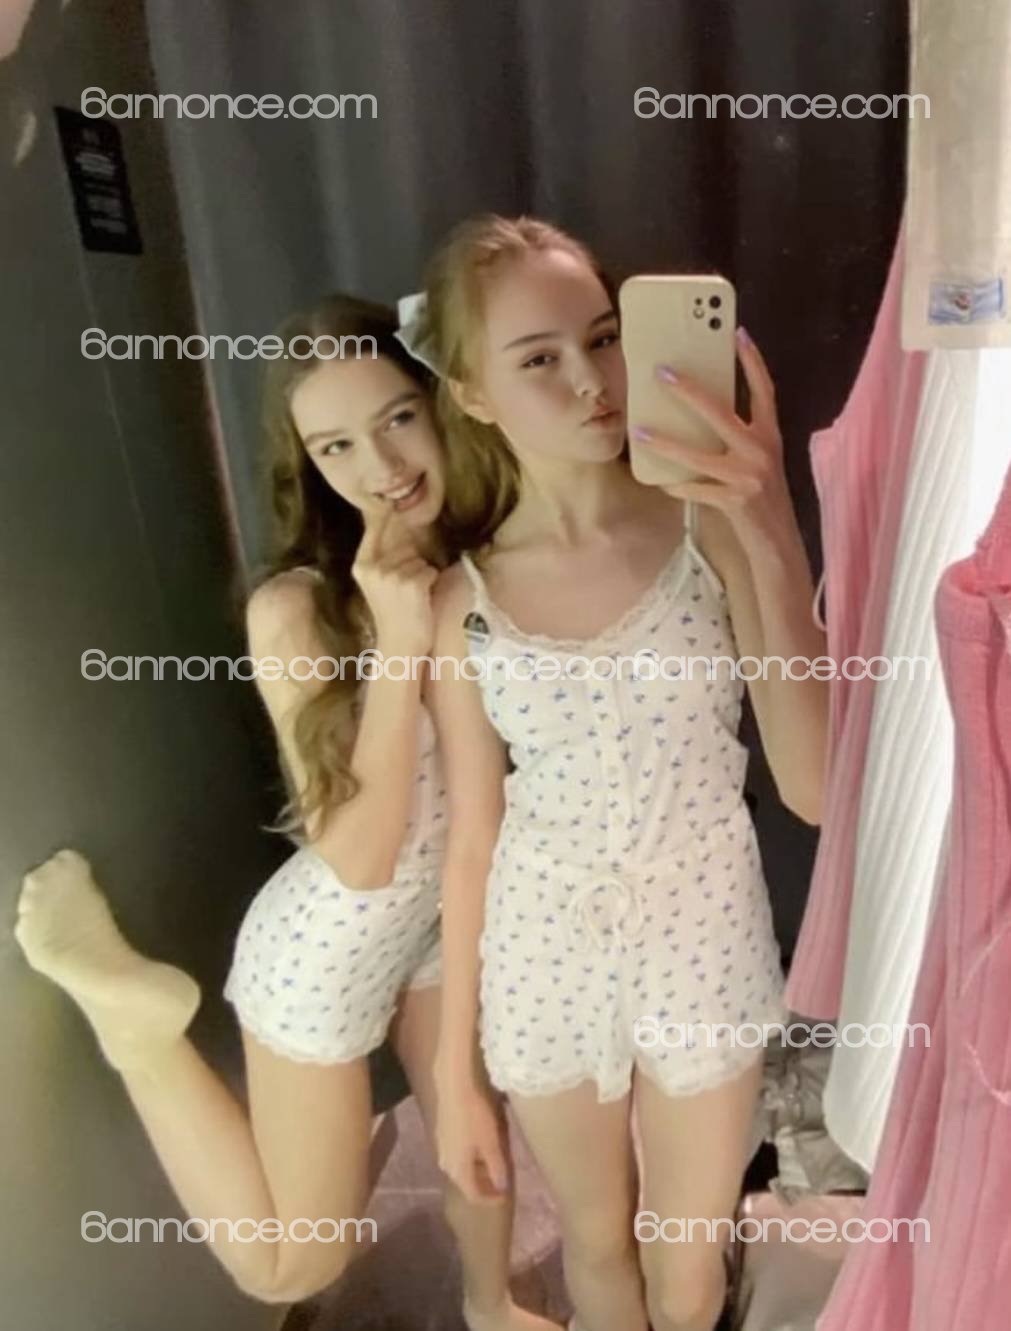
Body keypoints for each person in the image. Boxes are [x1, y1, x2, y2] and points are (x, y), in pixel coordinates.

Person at [14, 293, 559, 1329]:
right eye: (335, 444)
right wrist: (398, 641)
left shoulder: (492, 557)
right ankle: (139, 1028)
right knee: (291, 1267)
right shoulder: (296, 608)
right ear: (307, 464)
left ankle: (493, 1307)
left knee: (477, 1140)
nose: (380, 465)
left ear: (444, 401)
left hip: (437, 921)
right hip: (329, 942)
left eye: (398, 417)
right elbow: (358, 859)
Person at [420, 216, 828, 1331]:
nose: (591, 380)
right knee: (596, 1247)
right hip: (541, 947)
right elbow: (472, 836)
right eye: (538, 358)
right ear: (471, 393)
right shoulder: (465, 600)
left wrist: (767, 516)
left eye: (603, 338)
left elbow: (814, 787)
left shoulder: (707, 529)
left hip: (704, 933)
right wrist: (453, 1074)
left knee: (685, 1274)